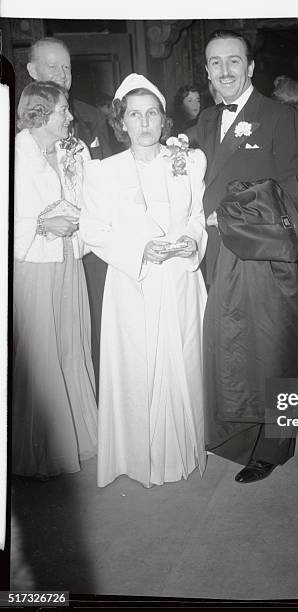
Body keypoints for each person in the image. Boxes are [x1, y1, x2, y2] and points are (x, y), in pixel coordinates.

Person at [195, 30, 298, 483]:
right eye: (215, 63)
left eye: (234, 62)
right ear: (206, 70)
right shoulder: (206, 120)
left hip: (263, 252)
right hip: (217, 255)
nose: (225, 71)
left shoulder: (279, 116)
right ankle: (236, 434)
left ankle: (272, 446)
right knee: (231, 350)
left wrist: (238, 209)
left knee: (272, 348)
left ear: (250, 68)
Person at [80, 74, 207, 488]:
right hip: (132, 284)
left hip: (178, 280)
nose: (144, 122)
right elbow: (93, 230)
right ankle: (139, 457)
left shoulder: (186, 161)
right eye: (135, 115)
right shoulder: (105, 172)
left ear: (163, 119)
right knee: (137, 369)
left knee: (181, 362)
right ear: (122, 122)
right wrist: (138, 251)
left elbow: (196, 216)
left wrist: (190, 242)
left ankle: (182, 451)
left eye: (151, 113)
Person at [13, 81, 97, 478]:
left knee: (70, 349)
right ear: (39, 113)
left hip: (69, 260)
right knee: (40, 356)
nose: (70, 116)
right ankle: (38, 451)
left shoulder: (73, 150)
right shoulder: (14, 151)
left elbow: (90, 200)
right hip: (32, 265)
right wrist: (43, 223)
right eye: (63, 110)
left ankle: (76, 438)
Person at [27, 36, 113, 395]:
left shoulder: (90, 117)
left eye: (67, 68)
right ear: (32, 71)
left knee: (87, 330)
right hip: (34, 254)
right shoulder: (18, 125)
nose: (62, 75)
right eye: (52, 67)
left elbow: (106, 181)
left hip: (85, 250)